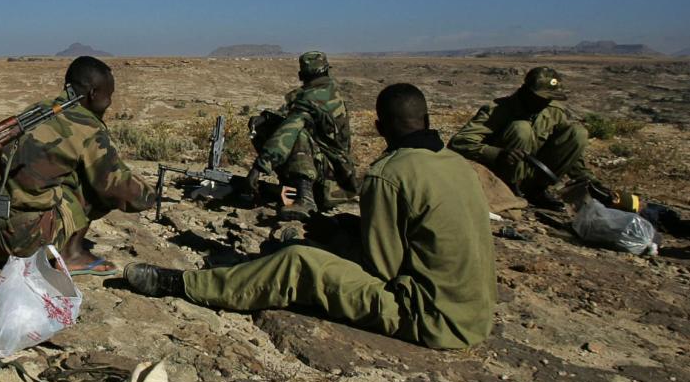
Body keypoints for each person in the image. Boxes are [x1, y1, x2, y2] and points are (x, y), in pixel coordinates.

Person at [126, 83, 496, 350]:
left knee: (297, 261)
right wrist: (336, 228)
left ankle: (183, 285)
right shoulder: (457, 165)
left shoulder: (391, 173)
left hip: (428, 317)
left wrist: (320, 248)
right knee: (317, 242)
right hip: (472, 313)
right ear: (427, 119)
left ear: (380, 127)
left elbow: (381, 268)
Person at [0, 56, 154, 276]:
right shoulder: (86, 127)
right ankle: (72, 255)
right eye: (108, 95)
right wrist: (151, 196)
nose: (109, 102)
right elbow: (117, 186)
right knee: (93, 184)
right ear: (93, 94)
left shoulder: (38, 110)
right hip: (22, 245)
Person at [449, 66, 593, 209]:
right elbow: (459, 142)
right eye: (540, 98)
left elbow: (566, 145)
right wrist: (498, 153)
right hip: (501, 176)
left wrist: (588, 180)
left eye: (549, 99)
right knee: (520, 128)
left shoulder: (554, 112)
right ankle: (509, 189)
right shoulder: (498, 110)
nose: (544, 103)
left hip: (535, 174)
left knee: (578, 133)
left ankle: (537, 191)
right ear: (525, 90)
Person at [245, 51, 357, 220]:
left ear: (301, 74)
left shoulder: (313, 98)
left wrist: (259, 167)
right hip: (335, 170)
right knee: (267, 124)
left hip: (334, 178)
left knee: (299, 135)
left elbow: (289, 129)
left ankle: (305, 198)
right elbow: (287, 116)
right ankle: (294, 186)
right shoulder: (325, 91)